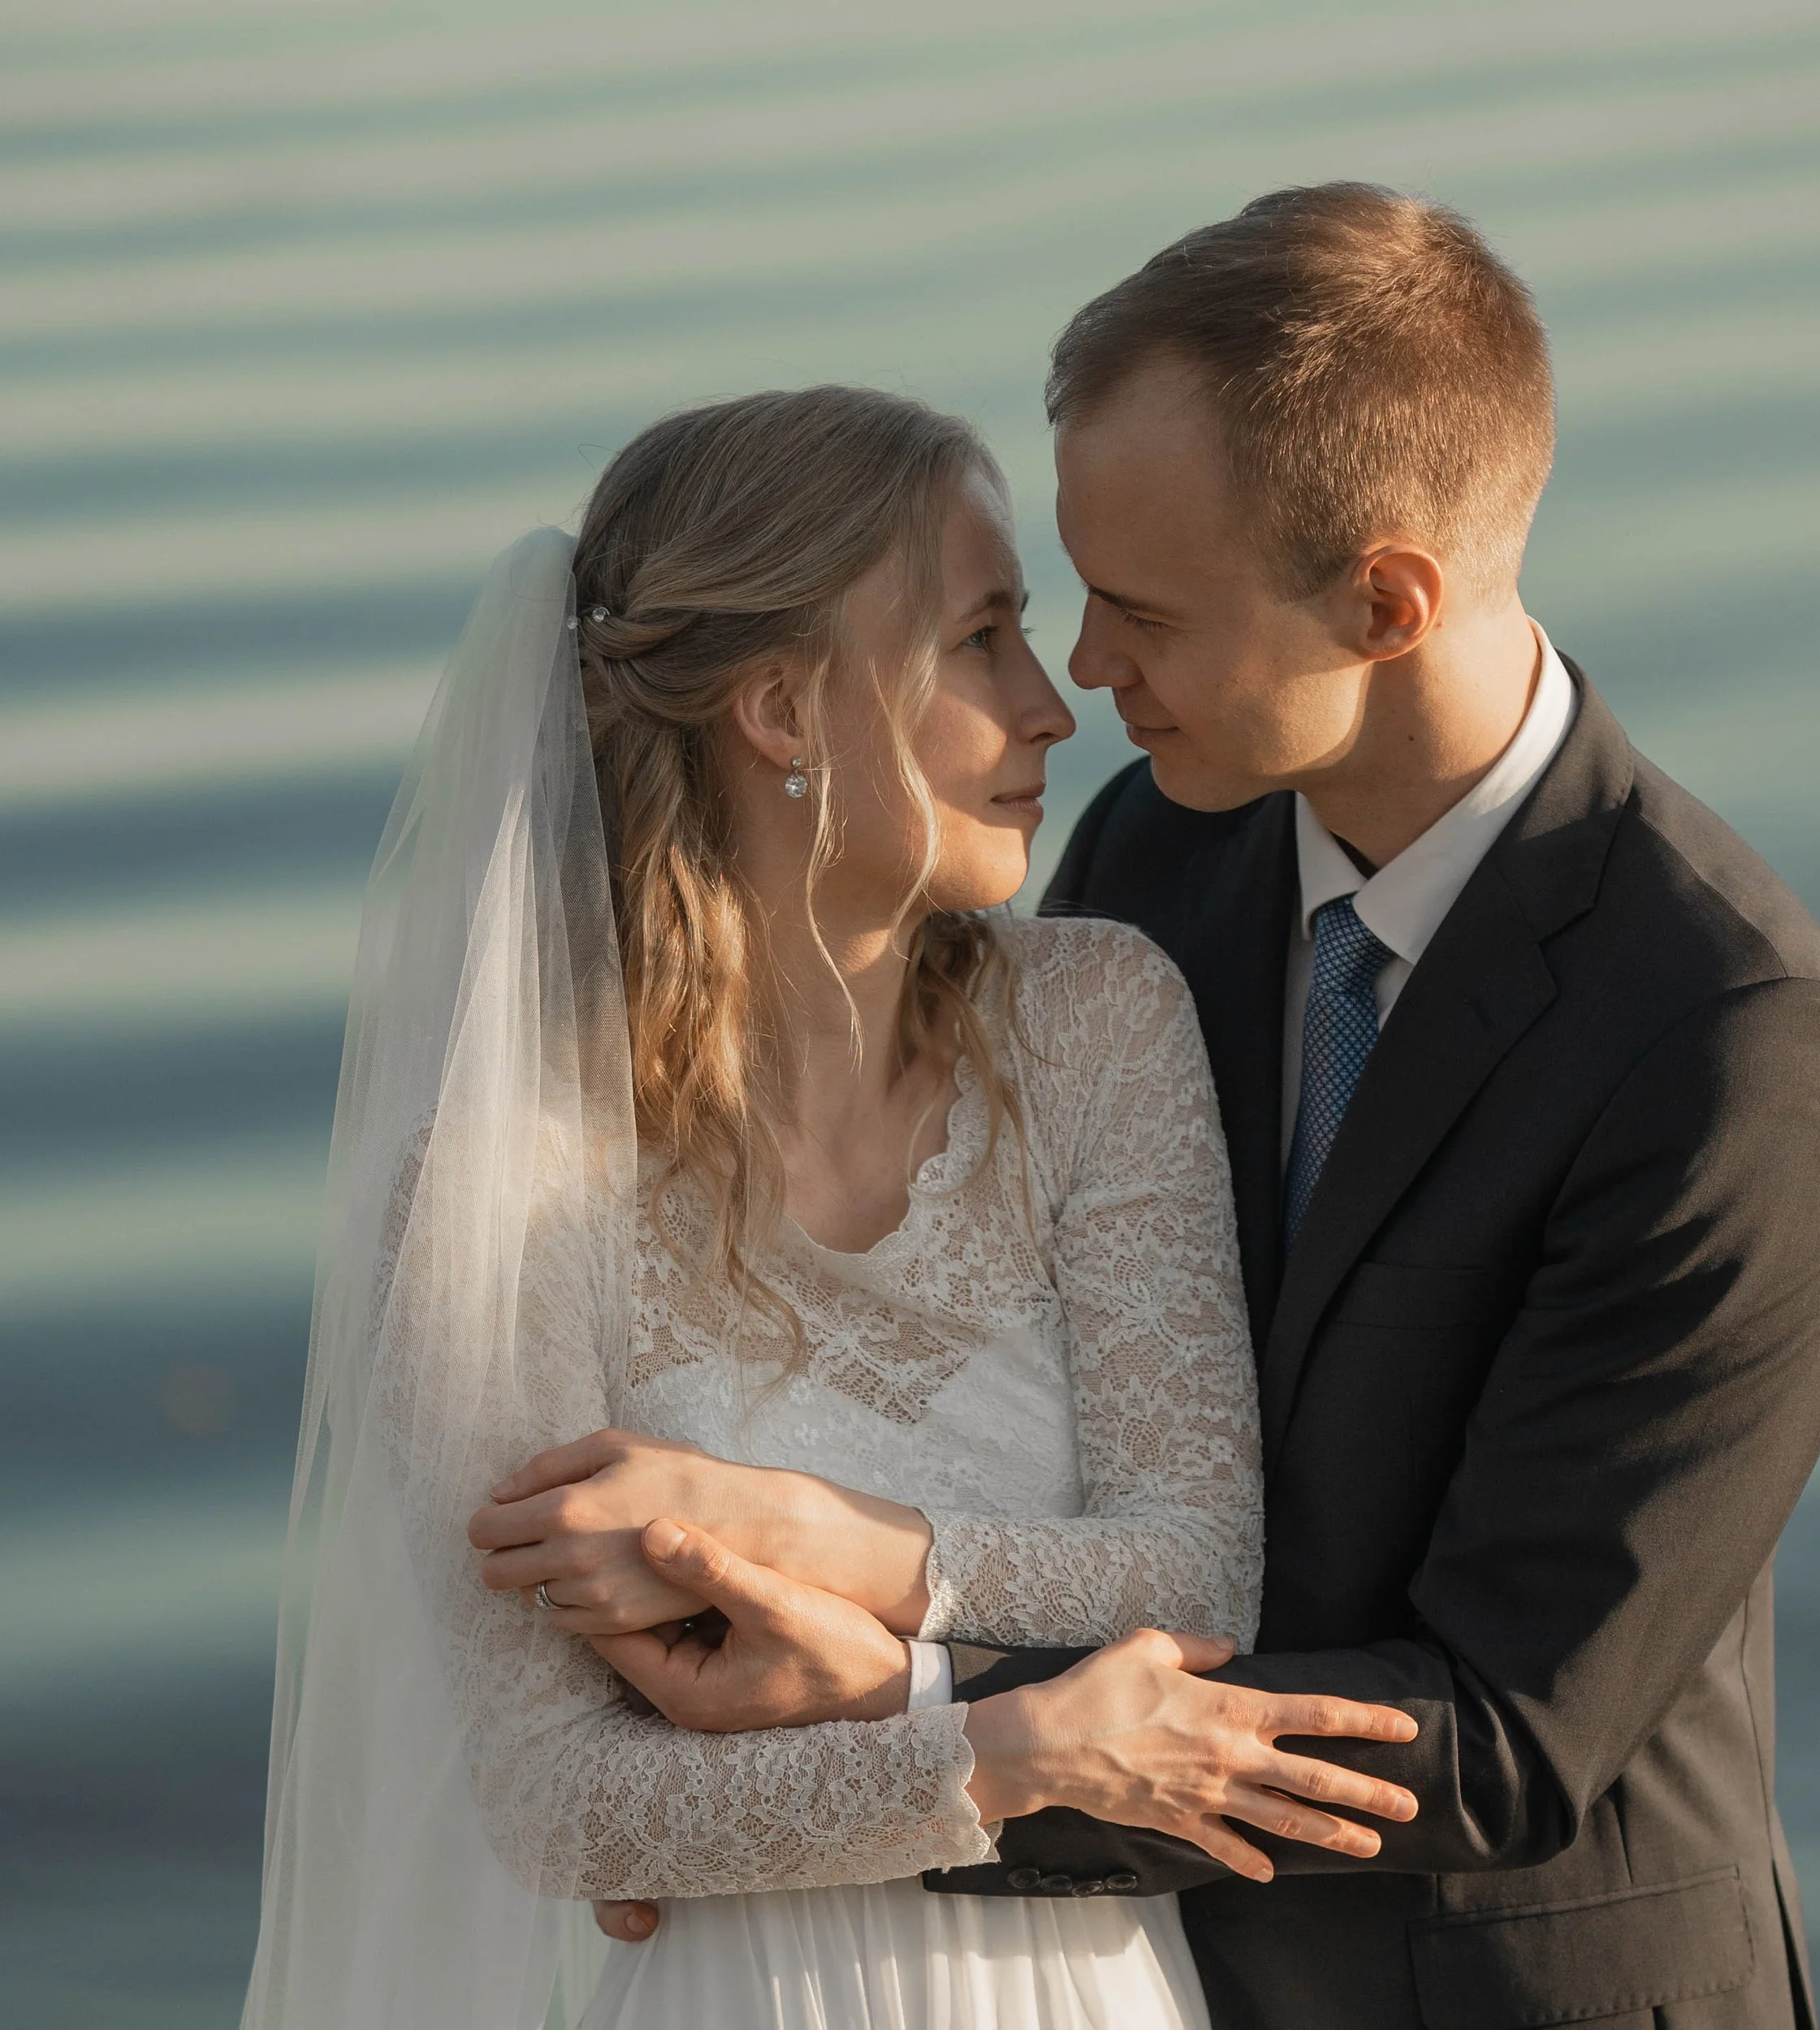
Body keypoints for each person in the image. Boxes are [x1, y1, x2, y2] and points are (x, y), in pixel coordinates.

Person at [585, 187, 1820, 2029]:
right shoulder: (1154, 853)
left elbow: (1503, 1739)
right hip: (1143, 1971)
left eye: (1139, 612)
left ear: (1382, 600)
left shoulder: (1729, 1055)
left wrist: (890, 1720)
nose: (1080, 682)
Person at [241, 385, 1419, 2030]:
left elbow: (1194, 1579)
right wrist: (1003, 1747)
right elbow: (557, 1799)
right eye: (981, 637)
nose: (1049, 705)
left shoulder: (1097, 1019)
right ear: (786, 709)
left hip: (1082, 1991)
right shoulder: (498, 1184)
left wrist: (789, 1542)